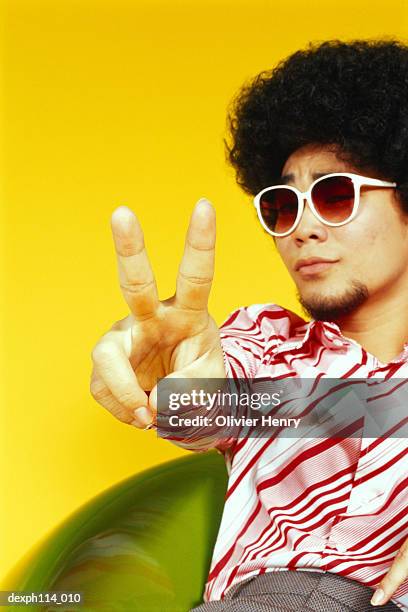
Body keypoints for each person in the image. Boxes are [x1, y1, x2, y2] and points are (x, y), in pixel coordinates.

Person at [90, 39, 408, 611]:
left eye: (336, 195)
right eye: (283, 205)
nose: (302, 228)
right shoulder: (270, 350)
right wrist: (180, 380)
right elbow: (216, 402)